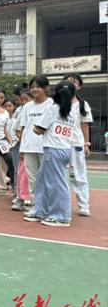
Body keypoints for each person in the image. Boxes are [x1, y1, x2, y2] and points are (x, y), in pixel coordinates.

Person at [24, 81, 79, 227]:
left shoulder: (52, 108)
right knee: (43, 180)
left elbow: (39, 129)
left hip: (53, 149)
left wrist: (36, 127)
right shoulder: (72, 111)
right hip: (64, 149)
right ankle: (40, 210)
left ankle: (62, 216)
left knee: (56, 183)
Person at [17, 76, 52, 209]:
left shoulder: (52, 104)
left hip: (46, 147)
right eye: (32, 87)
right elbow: (23, 128)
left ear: (46, 88)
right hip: (29, 147)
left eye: (38, 86)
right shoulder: (27, 107)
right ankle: (35, 206)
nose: (34, 89)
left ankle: (47, 206)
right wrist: (22, 148)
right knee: (32, 179)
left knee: (47, 178)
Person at [63, 73, 93, 217]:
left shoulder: (83, 104)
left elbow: (85, 125)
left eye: (74, 82)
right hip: (59, 145)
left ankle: (83, 205)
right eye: (68, 81)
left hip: (76, 144)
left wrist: (86, 144)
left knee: (79, 176)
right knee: (59, 176)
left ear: (79, 86)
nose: (71, 84)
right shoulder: (56, 103)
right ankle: (61, 204)